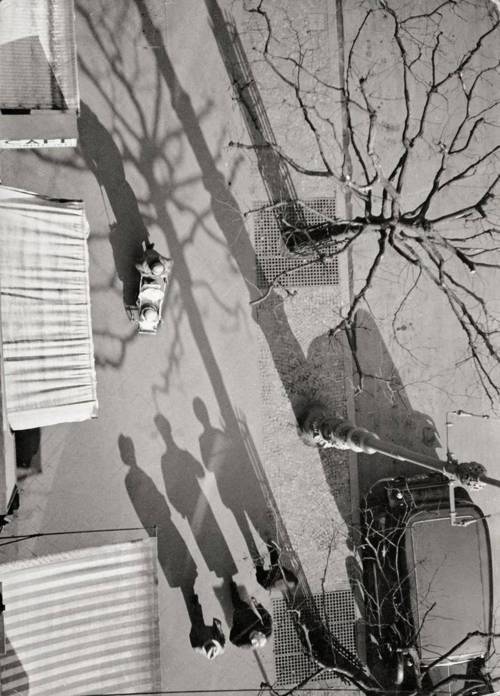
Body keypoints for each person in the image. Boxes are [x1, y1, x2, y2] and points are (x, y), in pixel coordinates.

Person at [229, 581, 272, 649]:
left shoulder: (244, 643)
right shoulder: (267, 631)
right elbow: (266, 617)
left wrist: (235, 626)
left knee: (237, 605)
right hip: (249, 613)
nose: (260, 632)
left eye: (252, 636)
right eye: (260, 633)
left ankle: (234, 591)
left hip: (239, 619)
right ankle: (234, 591)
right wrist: (257, 605)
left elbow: (233, 639)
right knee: (240, 604)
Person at [189, 594, 226, 661]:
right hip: (212, 632)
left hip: (202, 632)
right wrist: (219, 627)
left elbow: (192, 638)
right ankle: (195, 604)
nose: (209, 640)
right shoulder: (221, 649)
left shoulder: (198, 649)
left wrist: (194, 629)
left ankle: (195, 604)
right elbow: (222, 637)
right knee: (198, 618)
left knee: (197, 618)